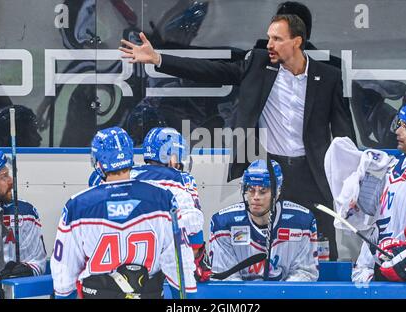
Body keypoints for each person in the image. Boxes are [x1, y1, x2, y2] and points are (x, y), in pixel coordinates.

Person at [119, 14, 356, 260]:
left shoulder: (328, 77)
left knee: (323, 246)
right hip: (270, 172)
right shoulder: (259, 64)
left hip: (313, 174)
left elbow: (343, 134)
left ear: (297, 41)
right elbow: (211, 71)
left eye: (277, 39)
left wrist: (351, 180)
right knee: (269, 245)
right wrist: (158, 59)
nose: (269, 45)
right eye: (269, 37)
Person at [50, 127, 196, 298]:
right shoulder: (163, 198)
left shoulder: (78, 206)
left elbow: (64, 270)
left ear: (98, 163)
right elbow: (179, 263)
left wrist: (62, 295)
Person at [88, 126, 210, 282]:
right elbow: (194, 233)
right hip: (160, 270)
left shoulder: (114, 175)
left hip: (111, 268)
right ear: (171, 157)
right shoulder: (181, 179)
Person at [352, 99, 406, 283]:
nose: (397, 131)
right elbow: (379, 222)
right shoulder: (394, 167)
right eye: (400, 124)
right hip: (385, 275)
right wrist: (365, 265)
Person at [209, 159, 318, 281]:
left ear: (277, 191)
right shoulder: (223, 224)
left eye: (263, 191)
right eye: (251, 190)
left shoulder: (302, 222)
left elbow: (305, 272)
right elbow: (224, 276)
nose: (255, 197)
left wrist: (280, 295)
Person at [0, 147, 46, 280]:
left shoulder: (24, 212)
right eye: (4, 176)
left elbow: (38, 262)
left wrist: (28, 270)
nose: (10, 181)